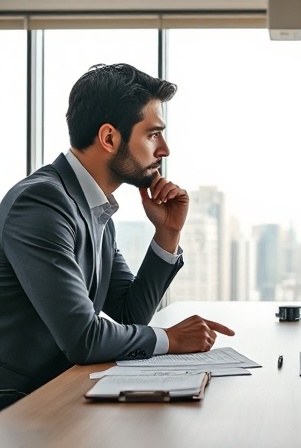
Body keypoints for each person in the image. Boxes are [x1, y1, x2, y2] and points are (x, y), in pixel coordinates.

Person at [0, 63, 234, 410]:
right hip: (20, 406)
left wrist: (167, 233)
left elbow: (129, 314)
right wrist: (170, 339)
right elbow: (84, 338)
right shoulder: (42, 203)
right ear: (109, 138)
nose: (165, 149)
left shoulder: (94, 210)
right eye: (153, 134)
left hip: (61, 392)